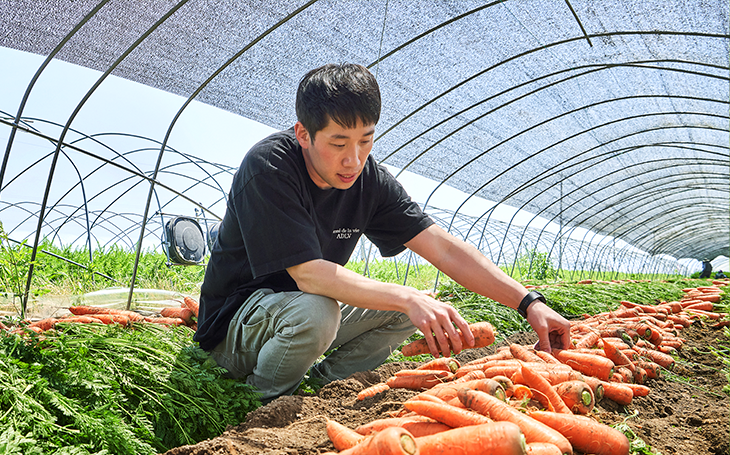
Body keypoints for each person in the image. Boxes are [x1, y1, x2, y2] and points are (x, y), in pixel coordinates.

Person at [193, 63, 571, 402]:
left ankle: (326, 392)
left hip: (299, 317)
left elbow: (443, 249)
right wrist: (403, 296)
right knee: (321, 310)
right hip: (234, 328)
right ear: (303, 134)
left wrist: (529, 302)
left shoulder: (369, 180)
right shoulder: (270, 166)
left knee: (414, 308)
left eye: (366, 141)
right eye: (338, 143)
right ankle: (257, 404)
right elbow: (307, 273)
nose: (353, 159)